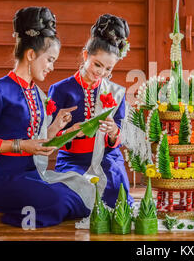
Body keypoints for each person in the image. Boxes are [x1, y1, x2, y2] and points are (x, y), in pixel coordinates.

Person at [0, 7, 93, 227]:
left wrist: (60, 130)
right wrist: (20, 145)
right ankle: (2, 210)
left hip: (29, 175)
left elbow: (37, 141)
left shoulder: (37, 93)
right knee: (59, 202)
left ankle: (11, 206)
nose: (52, 67)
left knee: (82, 194)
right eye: (50, 60)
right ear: (31, 55)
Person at [48, 14, 133, 208]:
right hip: (72, 159)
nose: (101, 73)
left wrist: (113, 132)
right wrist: (70, 132)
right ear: (86, 55)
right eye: (97, 64)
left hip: (107, 158)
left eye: (108, 69)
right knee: (71, 195)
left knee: (117, 193)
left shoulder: (117, 92)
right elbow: (48, 137)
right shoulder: (60, 89)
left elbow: (119, 135)